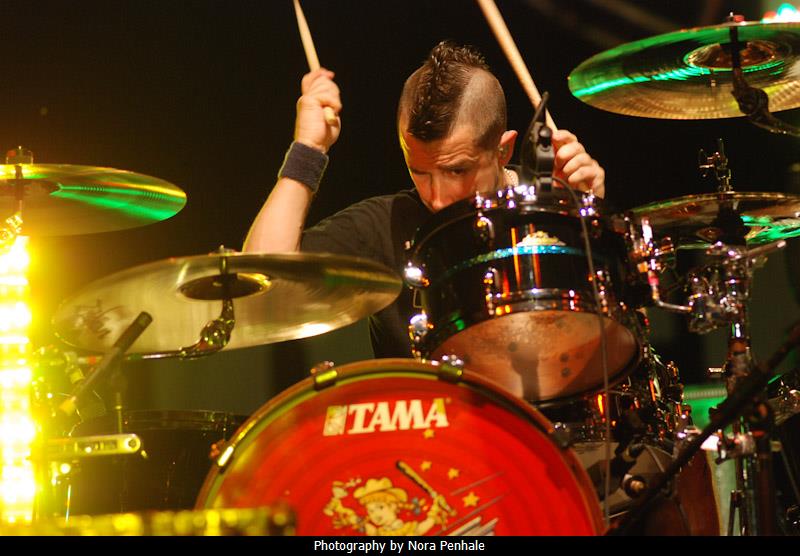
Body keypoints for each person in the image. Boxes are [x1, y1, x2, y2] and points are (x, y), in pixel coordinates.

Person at [244, 40, 605, 360]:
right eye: (419, 172)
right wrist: (308, 149)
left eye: (457, 171)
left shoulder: (551, 203)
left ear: (503, 150)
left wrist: (585, 215)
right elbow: (260, 284)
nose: (436, 198)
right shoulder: (386, 226)